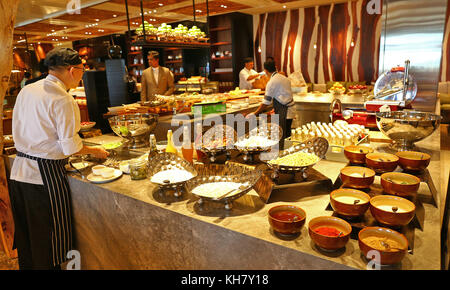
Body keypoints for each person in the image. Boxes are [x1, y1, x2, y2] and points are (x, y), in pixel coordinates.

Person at [9, 47, 109, 270]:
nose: (82, 75)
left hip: (18, 172)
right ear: (72, 70)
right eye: (82, 71)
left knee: (29, 239)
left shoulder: (28, 90)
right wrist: (96, 151)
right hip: (43, 177)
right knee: (50, 242)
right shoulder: (63, 98)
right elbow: (71, 148)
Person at [246, 60, 295, 148]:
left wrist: (255, 113)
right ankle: (288, 151)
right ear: (276, 68)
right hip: (289, 108)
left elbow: (266, 102)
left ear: (265, 71)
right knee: (287, 134)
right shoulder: (284, 78)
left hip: (284, 110)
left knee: (282, 135)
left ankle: (282, 153)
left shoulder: (272, 82)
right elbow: (282, 95)